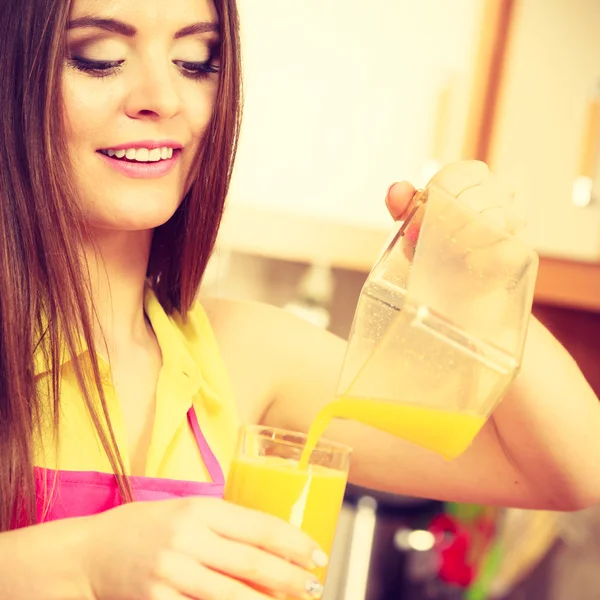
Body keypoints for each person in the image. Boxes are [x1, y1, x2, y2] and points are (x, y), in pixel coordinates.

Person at [0, 0, 598, 598]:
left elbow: (570, 471)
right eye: (98, 57)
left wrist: (487, 285)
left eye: (195, 60)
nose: (165, 96)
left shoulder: (243, 358)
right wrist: (84, 560)